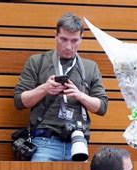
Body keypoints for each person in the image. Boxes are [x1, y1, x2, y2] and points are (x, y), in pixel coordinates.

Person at [14, 12, 108, 161]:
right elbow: (19, 102)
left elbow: (102, 107)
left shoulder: (90, 67)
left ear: (82, 38)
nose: (68, 46)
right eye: (63, 39)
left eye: (74, 40)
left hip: (78, 142)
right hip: (44, 141)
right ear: (55, 36)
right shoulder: (37, 62)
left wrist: (79, 95)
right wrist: (44, 88)